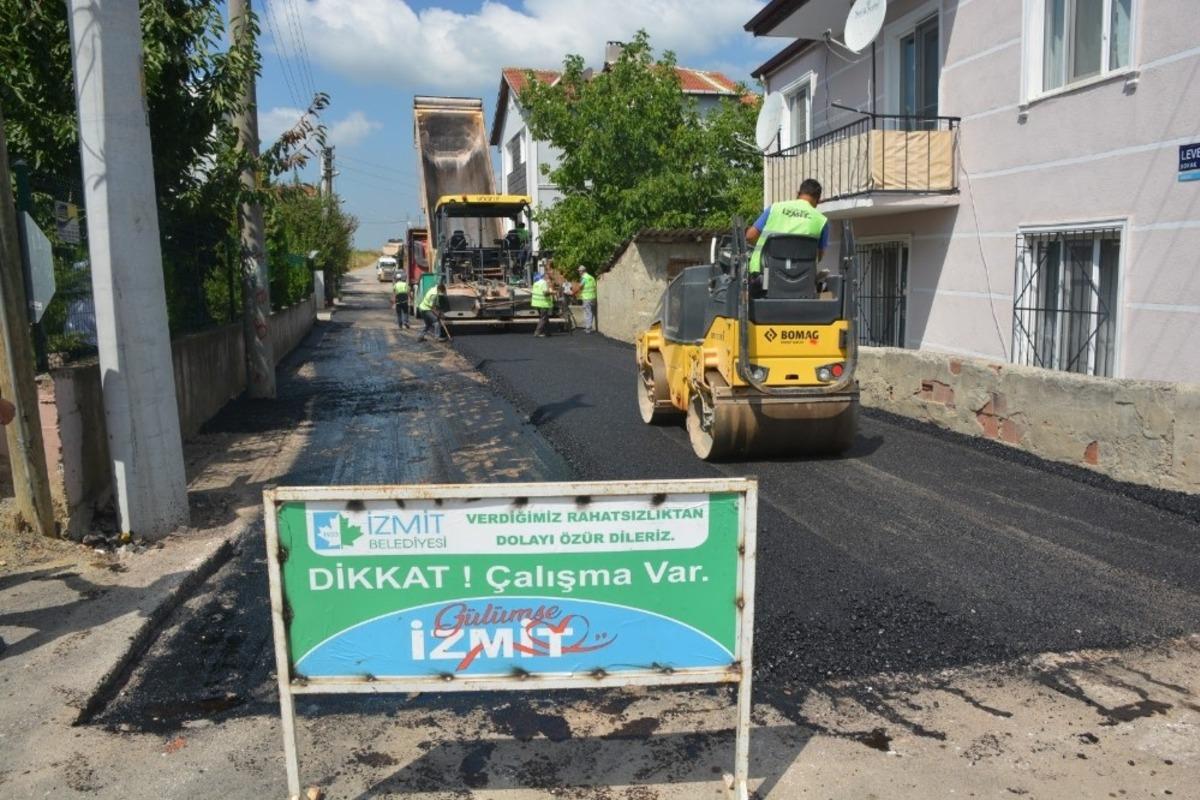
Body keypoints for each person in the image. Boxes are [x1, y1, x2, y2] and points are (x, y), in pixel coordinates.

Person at [745, 177, 829, 291]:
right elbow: (818, 257)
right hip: (801, 281)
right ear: (818, 201)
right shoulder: (821, 221)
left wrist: (766, 247)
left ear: (798, 194)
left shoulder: (775, 208)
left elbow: (750, 236)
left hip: (764, 276)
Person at [531, 271, 553, 337]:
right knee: (543, 318)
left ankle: (548, 332)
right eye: (548, 278)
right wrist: (552, 292)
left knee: (545, 318)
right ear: (545, 277)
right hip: (543, 303)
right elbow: (545, 293)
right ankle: (537, 332)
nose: (549, 280)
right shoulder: (544, 283)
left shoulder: (536, 283)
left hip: (537, 303)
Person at [578, 266, 597, 334]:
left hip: (587, 297)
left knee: (587, 312)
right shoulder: (591, 277)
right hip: (593, 297)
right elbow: (595, 286)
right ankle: (588, 327)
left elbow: (580, 286)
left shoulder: (584, 278)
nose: (579, 272)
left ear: (582, 271)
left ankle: (588, 328)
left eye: (579, 271)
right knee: (590, 312)